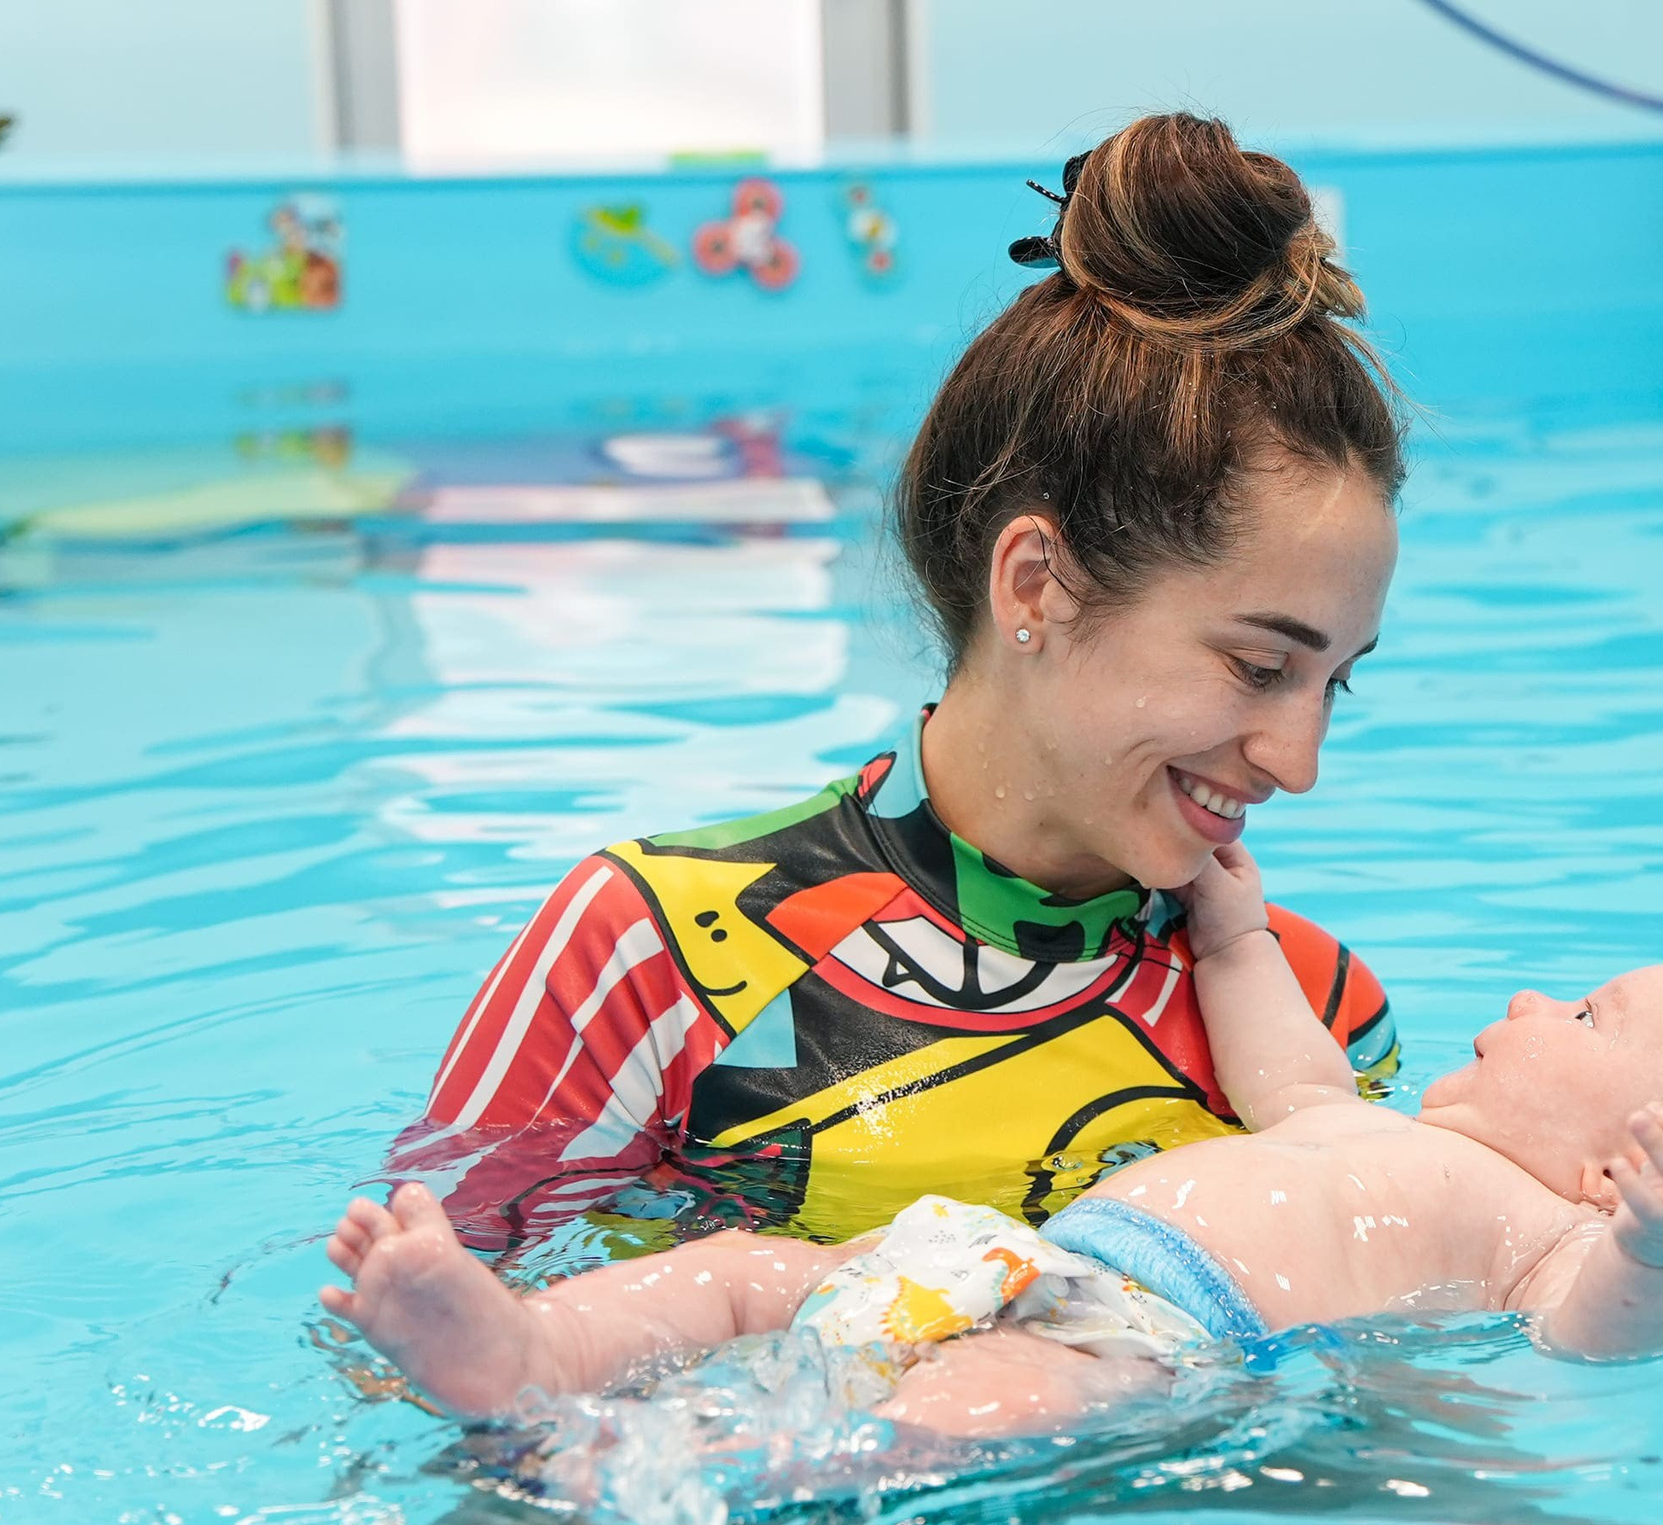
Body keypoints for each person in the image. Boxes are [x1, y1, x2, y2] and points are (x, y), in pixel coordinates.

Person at [387, 114, 1407, 1258]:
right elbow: (427, 1338)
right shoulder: (657, 956)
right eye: (1259, 668)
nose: (1296, 764)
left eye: (1334, 684)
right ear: (1033, 585)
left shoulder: (1315, 1018)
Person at [320, 844, 1663, 1432]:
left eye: (1594, 1014)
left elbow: (1598, 1341)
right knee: (749, 1268)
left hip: (1148, 1340)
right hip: (1010, 1253)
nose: (1540, 998)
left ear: (1635, 1157)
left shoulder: (1554, 1235)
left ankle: (707, 1466)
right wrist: (1228, 915)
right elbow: (1267, 1028)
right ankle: (532, 1347)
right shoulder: (1344, 1111)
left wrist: (1661, 1249)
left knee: (974, 1403)